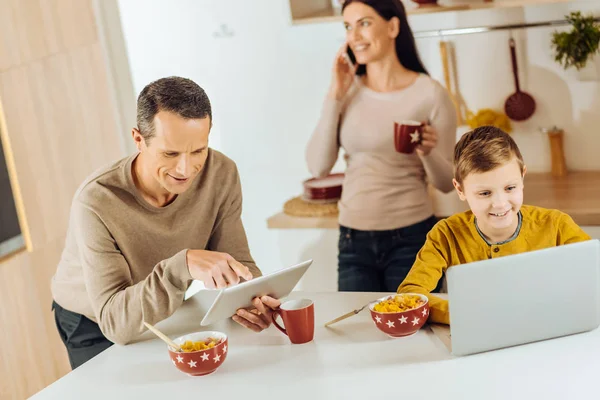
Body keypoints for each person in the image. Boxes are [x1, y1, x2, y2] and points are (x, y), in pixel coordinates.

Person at [51, 76, 279, 369]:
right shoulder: (97, 201)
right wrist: (181, 265)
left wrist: (252, 298)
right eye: (170, 153)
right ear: (138, 140)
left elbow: (236, 259)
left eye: (198, 150)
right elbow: (115, 322)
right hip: (93, 321)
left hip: (156, 305)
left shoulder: (220, 173)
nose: (186, 169)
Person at [306, 0, 457, 292]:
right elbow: (318, 166)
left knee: (414, 333)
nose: (354, 36)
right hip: (353, 241)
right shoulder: (346, 92)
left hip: (412, 239)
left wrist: (427, 153)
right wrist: (334, 95)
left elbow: (446, 183)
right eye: (348, 27)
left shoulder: (430, 94)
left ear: (392, 26)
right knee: (359, 335)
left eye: (364, 23)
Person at [398, 126, 591, 324]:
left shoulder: (557, 225)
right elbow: (411, 295)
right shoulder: (446, 234)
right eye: (484, 193)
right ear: (460, 189)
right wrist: (460, 314)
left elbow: (592, 274)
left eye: (510, 188)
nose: (500, 203)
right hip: (478, 337)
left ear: (522, 177)